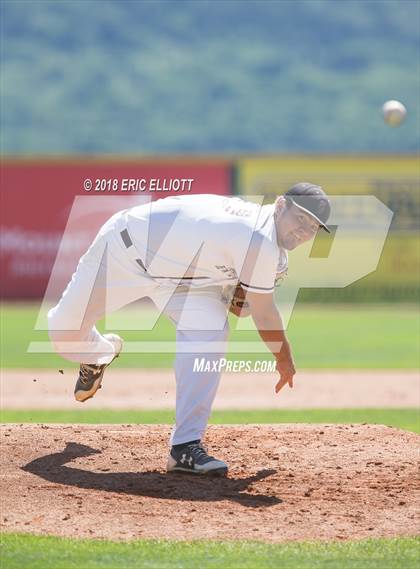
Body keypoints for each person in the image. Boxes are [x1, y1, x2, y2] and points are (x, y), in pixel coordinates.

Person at [48, 182, 330, 477]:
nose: (304, 230)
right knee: (63, 335)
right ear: (281, 205)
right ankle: (98, 353)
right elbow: (264, 314)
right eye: (300, 218)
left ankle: (185, 447)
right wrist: (284, 358)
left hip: (185, 281)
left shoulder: (266, 237)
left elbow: (239, 305)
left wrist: (233, 294)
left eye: (312, 227)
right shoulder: (259, 237)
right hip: (124, 252)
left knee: (209, 333)